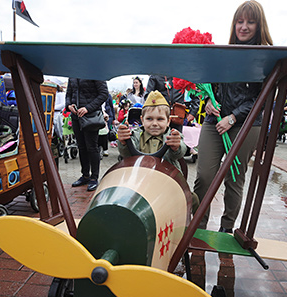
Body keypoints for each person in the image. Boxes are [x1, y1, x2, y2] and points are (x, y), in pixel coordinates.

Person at [193, 0, 273, 233]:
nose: (244, 27)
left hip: (246, 124)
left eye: (250, 21)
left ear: (259, 26)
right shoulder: (224, 53)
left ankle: (226, 229)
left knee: (234, 179)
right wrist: (207, 101)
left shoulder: (266, 57)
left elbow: (263, 98)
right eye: (240, 21)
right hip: (214, 122)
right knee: (205, 175)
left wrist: (234, 118)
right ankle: (198, 227)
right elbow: (211, 86)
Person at [117, 91, 187, 172]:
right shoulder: (134, 135)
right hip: (138, 176)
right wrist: (123, 142)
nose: (154, 124)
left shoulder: (172, 135)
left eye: (160, 119)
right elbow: (126, 154)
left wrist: (176, 147)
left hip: (166, 177)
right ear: (142, 120)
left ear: (168, 121)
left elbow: (180, 152)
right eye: (149, 119)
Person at [65, 78, 109, 191]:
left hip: (91, 117)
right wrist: (69, 105)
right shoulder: (72, 74)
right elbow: (69, 93)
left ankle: (94, 178)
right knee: (81, 147)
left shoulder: (94, 71)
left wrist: (87, 108)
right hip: (76, 117)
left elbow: (104, 94)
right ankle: (85, 175)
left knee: (92, 147)